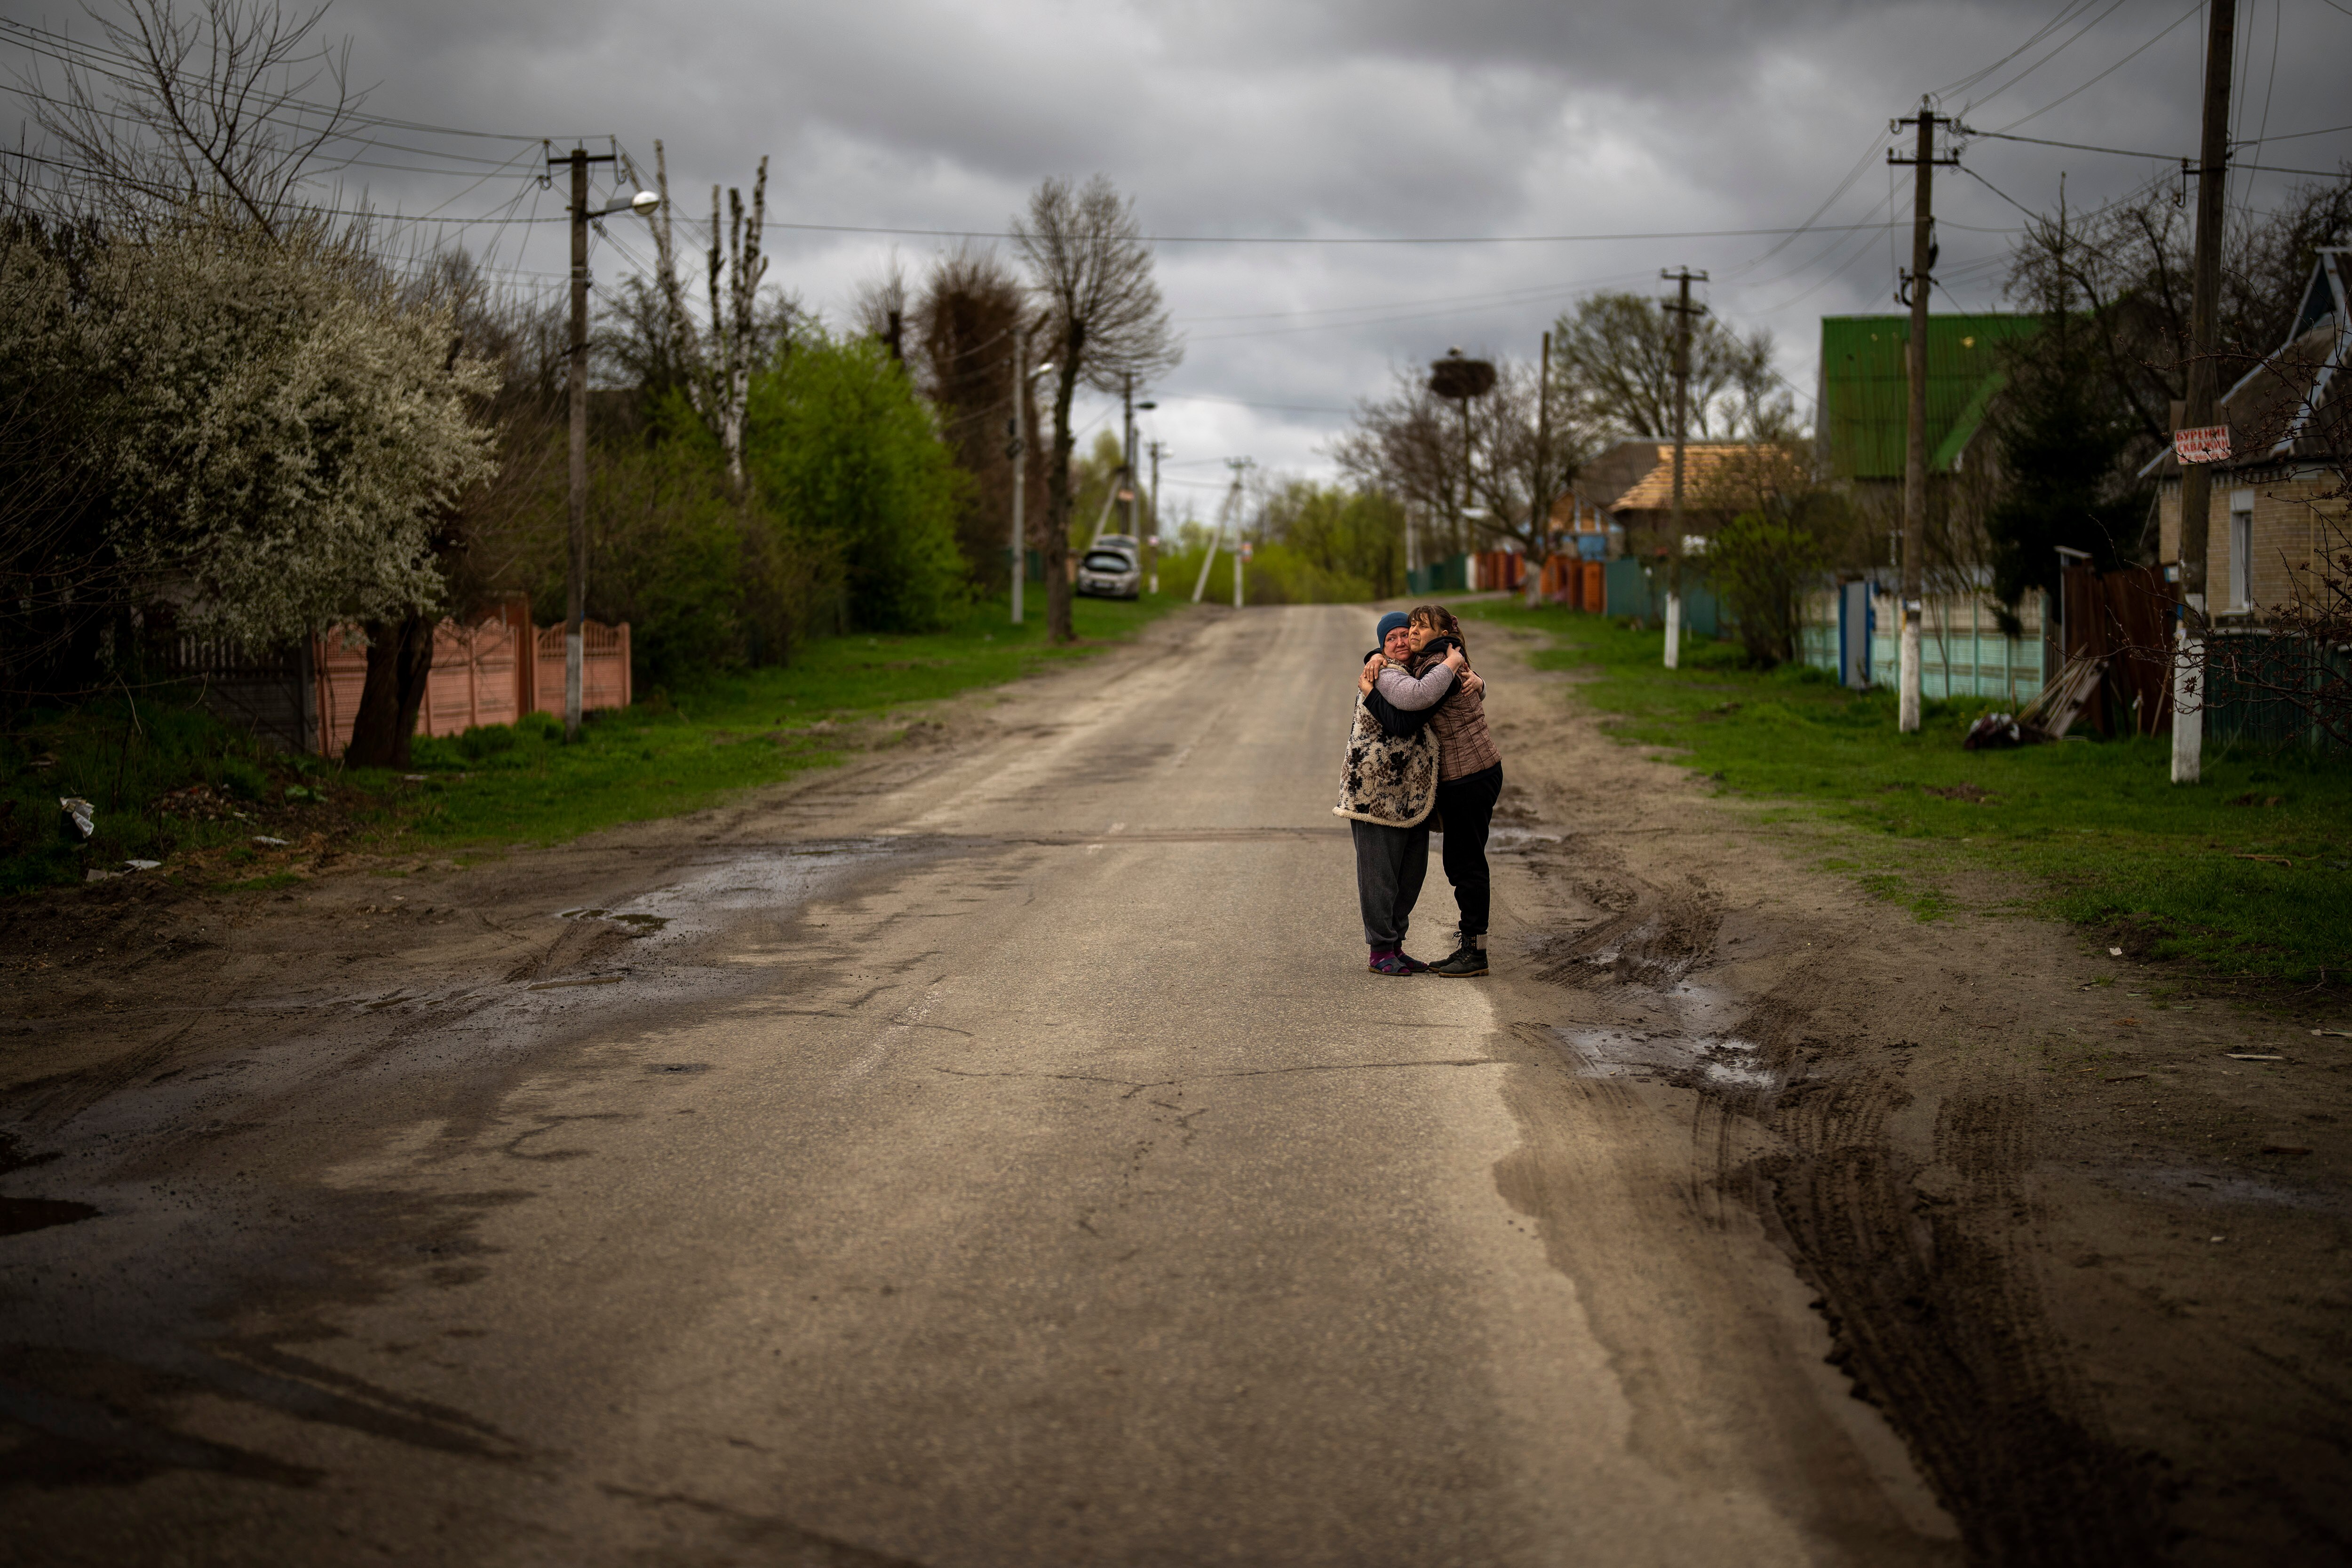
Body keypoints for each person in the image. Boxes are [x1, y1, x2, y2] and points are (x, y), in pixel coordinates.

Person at [1362, 605, 1501, 978]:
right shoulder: (1438, 661)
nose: (1409, 636)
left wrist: (1370, 692)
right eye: (1407, 630)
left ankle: (1475, 952)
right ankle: (1469, 947)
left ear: (1439, 632)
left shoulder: (1440, 666)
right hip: (1467, 774)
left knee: (1465, 864)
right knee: (1461, 863)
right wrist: (1375, 657)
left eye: (1417, 629)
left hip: (1470, 774)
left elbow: (1409, 713)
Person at [1333, 610, 1451, 975]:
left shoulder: (1413, 673)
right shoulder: (1384, 675)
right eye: (1391, 639)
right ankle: (1380, 949)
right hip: (1374, 794)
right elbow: (1404, 722)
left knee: (1410, 873)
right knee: (1379, 875)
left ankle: (1395, 945)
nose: (1400, 642)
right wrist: (1375, 659)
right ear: (1383, 646)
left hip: (1409, 797)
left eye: (1405, 635)